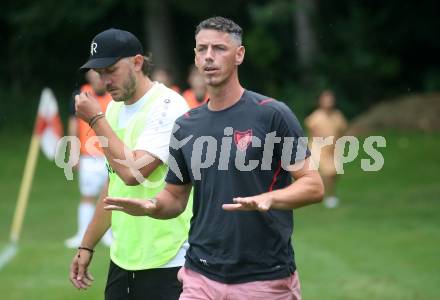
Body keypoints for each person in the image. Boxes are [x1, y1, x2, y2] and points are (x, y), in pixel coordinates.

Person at [104, 17, 324, 300]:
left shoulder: (271, 115)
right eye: (201, 49)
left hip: (264, 277)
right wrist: (151, 205)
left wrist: (271, 199)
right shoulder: (187, 125)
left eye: (219, 48)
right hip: (200, 275)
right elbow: (175, 196)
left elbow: (313, 184)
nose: (209, 56)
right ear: (195, 58)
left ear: (239, 55)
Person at [69, 28, 192, 300]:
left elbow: (132, 173)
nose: (105, 81)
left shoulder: (168, 106)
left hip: (167, 259)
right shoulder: (114, 109)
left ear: (137, 62)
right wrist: (87, 246)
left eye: (111, 70)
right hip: (124, 258)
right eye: (100, 73)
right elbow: (113, 185)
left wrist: (95, 120)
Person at [65, 69, 113, 249]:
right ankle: (81, 234)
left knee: (109, 197)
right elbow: (72, 125)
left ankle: (108, 235)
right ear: (89, 76)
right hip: (88, 156)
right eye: (95, 74)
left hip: (109, 155)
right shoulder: (80, 96)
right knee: (87, 196)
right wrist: (73, 152)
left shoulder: (114, 96)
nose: (98, 78)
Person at [305, 90, 348, 208]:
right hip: (319, 149)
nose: (328, 102)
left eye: (330, 99)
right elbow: (313, 133)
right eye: (326, 99)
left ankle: (324, 193)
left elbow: (342, 130)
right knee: (328, 173)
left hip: (333, 149)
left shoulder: (337, 115)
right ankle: (329, 197)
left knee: (335, 174)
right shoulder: (315, 117)